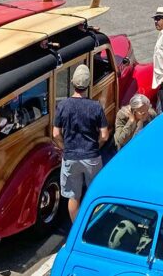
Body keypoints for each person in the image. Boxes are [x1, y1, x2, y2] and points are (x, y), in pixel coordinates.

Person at [53, 65, 108, 222]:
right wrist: (95, 146)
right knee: (95, 194)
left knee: (73, 197)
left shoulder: (63, 105)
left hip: (70, 157)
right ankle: (93, 226)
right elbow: (104, 135)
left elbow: (56, 133)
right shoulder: (96, 106)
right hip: (91, 156)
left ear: (72, 82)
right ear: (88, 84)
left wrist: (65, 148)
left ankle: (76, 230)